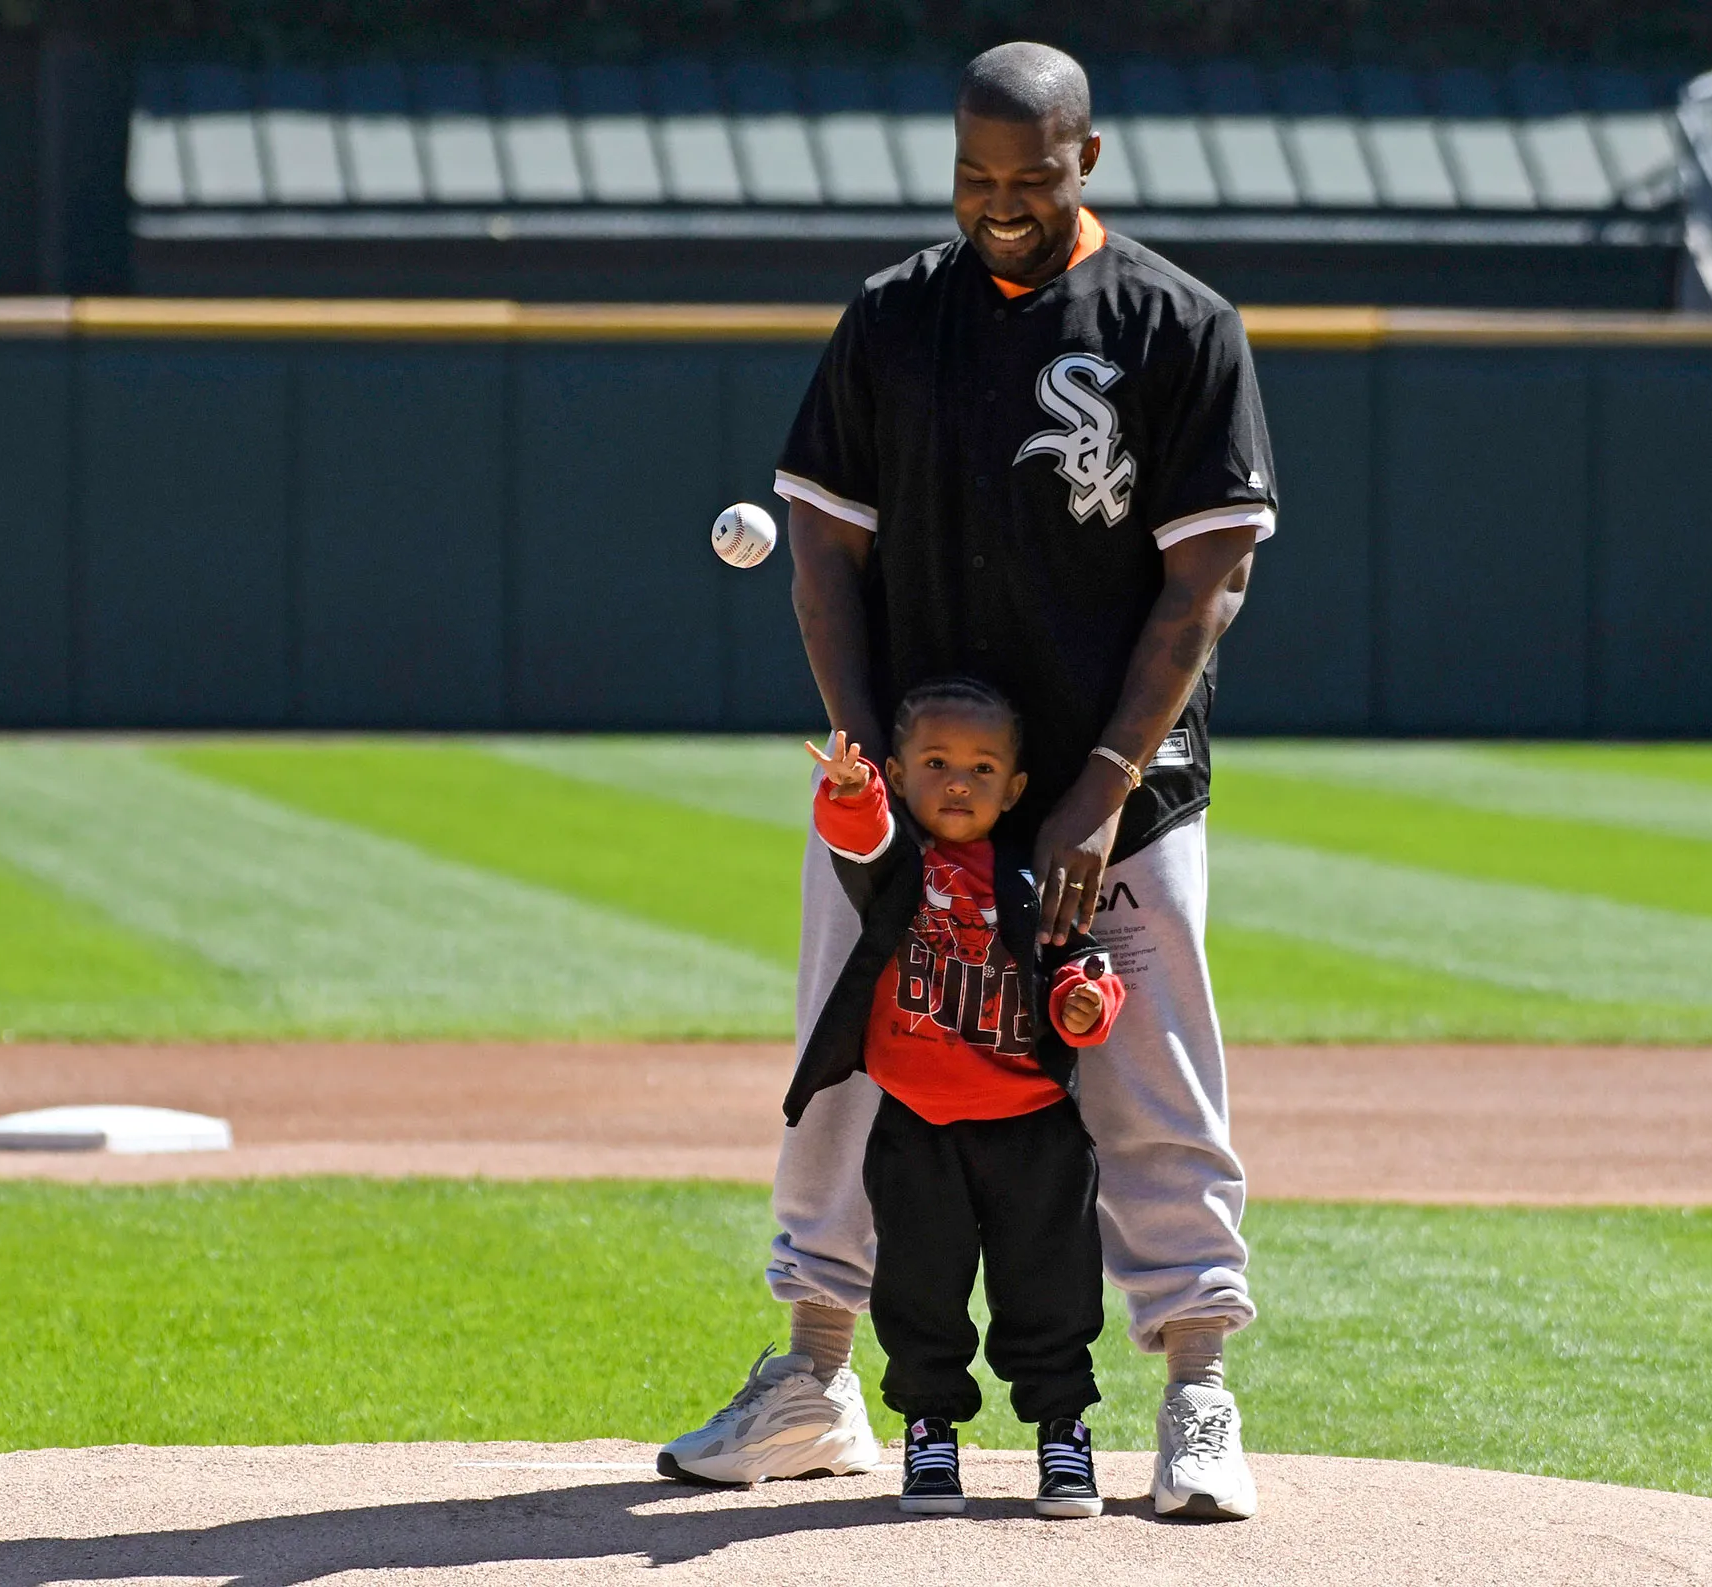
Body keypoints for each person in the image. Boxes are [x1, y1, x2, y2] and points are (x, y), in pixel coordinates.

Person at [658, 39, 1276, 1521]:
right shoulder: (893, 318)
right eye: (973, 174)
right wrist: (867, 774)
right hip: (909, 806)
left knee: (1150, 1082)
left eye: (1031, 176)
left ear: (1087, 161)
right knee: (845, 1077)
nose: (999, 202)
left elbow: (1206, 579)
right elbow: (823, 550)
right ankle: (815, 1381)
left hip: (1120, 794)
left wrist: (1100, 787)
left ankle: (1196, 1393)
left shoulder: (1178, 325)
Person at [786, 684, 1126, 1517]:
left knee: (1051, 1291)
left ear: (1015, 787)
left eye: (981, 768)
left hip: (1034, 1131)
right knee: (919, 1293)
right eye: (936, 764)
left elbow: (1081, 960)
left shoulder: (1036, 871)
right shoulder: (899, 867)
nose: (959, 782)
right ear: (901, 775)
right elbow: (859, 837)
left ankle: (1062, 1431)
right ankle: (930, 1432)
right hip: (918, 1128)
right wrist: (852, 791)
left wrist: (1083, 1002)